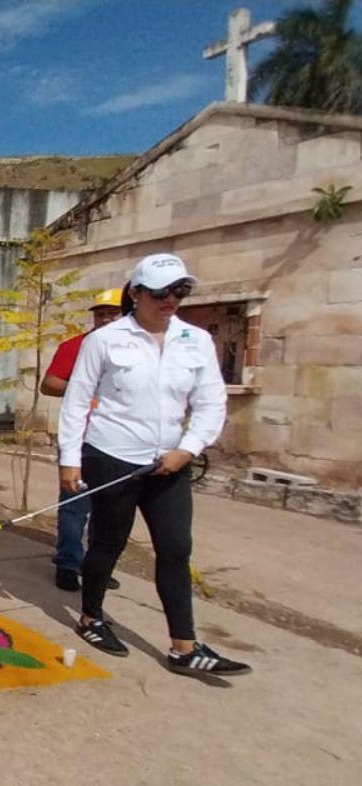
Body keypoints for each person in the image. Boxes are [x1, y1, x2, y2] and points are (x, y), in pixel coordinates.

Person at [58, 253, 250, 677]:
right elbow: (76, 401)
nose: (171, 300)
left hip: (170, 460)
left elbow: (211, 402)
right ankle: (91, 617)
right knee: (109, 541)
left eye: (180, 291)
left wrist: (189, 448)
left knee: (176, 548)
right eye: (161, 292)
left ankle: (184, 647)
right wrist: (69, 460)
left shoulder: (196, 340)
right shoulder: (105, 340)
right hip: (111, 456)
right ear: (136, 293)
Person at [40, 290, 123, 593]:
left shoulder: (139, 349)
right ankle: (68, 563)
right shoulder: (76, 346)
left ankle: (97, 567)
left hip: (121, 444)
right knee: (75, 506)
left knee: (111, 512)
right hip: (83, 441)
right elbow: (49, 384)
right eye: (101, 314)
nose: (106, 319)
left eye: (113, 313)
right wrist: (83, 387)